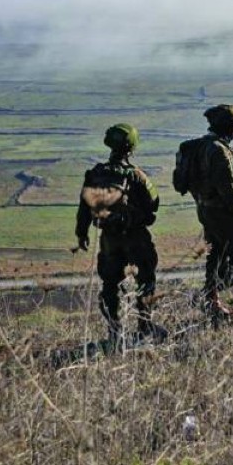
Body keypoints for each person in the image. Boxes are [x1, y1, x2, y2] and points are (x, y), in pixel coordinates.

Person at [74, 123, 159, 348]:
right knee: (146, 280)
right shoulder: (137, 176)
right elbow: (154, 203)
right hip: (135, 238)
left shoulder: (95, 174)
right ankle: (144, 328)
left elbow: (84, 207)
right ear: (131, 148)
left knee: (110, 285)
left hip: (109, 240)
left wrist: (81, 233)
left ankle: (115, 331)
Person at [191, 104, 233, 324]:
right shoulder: (219, 151)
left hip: (207, 210)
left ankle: (211, 300)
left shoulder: (202, 146)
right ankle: (208, 294)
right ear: (229, 128)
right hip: (223, 213)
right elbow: (229, 191)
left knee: (216, 254)